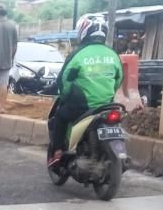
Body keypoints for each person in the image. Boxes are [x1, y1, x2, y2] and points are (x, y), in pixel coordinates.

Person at [48, 14, 123, 167]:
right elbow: (119, 79)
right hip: (107, 105)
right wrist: (108, 94)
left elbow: (64, 81)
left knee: (61, 117)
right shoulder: (113, 55)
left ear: (84, 31)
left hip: (83, 106)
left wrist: (65, 96)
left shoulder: (77, 55)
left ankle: (57, 152)